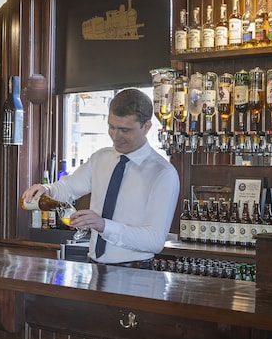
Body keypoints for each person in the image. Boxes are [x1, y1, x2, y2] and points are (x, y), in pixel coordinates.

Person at [21, 88, 179, 269]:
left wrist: (104, 225)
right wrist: (48, 189)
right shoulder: (101, 158)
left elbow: (154, 241)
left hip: (136, 272)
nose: (115, 136)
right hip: (94, 267)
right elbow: (70, 187)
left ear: (146, 126)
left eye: (124, 130)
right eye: (111, 126)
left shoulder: (163, 174)